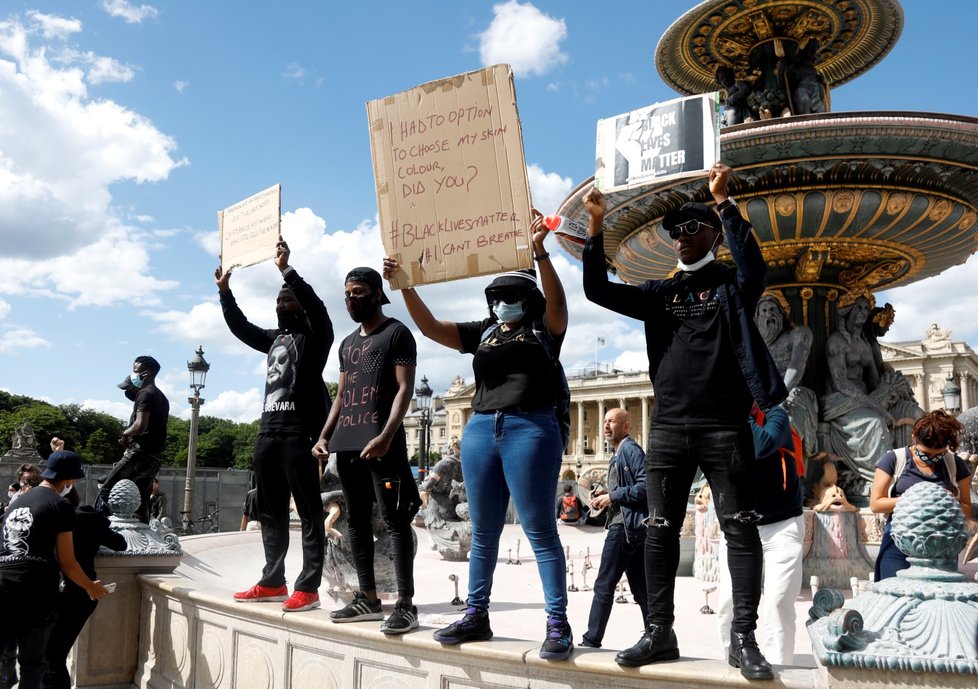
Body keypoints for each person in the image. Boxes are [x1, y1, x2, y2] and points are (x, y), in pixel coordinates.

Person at [582, 161, 786, 679]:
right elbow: (597, 290)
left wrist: (724, 203)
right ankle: (659, 630)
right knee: (658, 530)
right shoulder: (660, 294)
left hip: (724, 425)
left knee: (740, 530)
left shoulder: (731, 285)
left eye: (691, 228)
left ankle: (743, 638)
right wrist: (596, 226)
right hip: (669, 427)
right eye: (675, 231)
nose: (680, 237)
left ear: (713, 235)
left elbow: (756, 268)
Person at [383, 211, 574, 660]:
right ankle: (477, 613)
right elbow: (430, 328)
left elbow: (560, 308)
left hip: (531, 426)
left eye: (512, 294)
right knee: (484, 531)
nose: (503, 300)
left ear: (528, 298)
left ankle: (557, 622)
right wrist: (406, 285)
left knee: (540, 530)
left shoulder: (544, 329)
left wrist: (540, 251)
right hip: (482, 430)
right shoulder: (484, 333)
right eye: (498, 294)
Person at [218, 237, 332, 613]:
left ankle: (309, 587)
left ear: (301, 307)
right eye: (279, 301)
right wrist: (225, 292)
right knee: (270, 513)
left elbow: (318, 308)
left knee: (311, 514)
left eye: (289, 300)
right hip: (267, 435)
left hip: (300, 436)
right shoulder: (274, 340)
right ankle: (273, 581)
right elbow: (240, 327)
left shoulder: (315, 338)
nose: (283, 305)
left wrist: (287, 271)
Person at [312, 267, 421, 635]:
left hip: (381, 442)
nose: (351, 300)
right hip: (348, 443)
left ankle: (406, 604)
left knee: (395, 521)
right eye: (347, 294)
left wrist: (388, 435)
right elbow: (342, 395)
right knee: (356, 522)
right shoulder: (347, 344)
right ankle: (368, 598)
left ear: (377, 294)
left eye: (358, 293)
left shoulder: (397, 333)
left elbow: (404, 390)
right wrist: (325, 436)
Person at [0, 449, 109, 689]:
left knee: (4, 662)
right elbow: (67, 562)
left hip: (3, 582)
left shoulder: (17, 501)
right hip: (34, 589)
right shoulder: (61, 505)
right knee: (32, 664)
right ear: (69, 480)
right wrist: (91, 587)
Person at [716, 404, 804, 666]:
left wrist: (738, 415)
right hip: (739, 526)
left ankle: (779, 669)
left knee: (777, 603)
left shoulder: (776, 416)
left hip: (782, 523)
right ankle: (731, 666)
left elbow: (761, 445)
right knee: (727, 604)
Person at [42, 439, 127, 689]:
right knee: (54, 654)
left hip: (60, 592)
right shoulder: (89, 519)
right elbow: (120, 544)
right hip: (78, 594)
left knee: (51, 655)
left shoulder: (52, 512)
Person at [870, 409, 972, 581]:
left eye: (938, 454)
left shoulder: (955, 464)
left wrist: (947, 501)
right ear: (913, 437)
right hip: (898, 542)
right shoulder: (894, 459)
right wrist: (918, 499)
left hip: (942, 546)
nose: (930, 458)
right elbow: (876, 504)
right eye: (925, 453)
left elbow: (967, 510)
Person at [581, 408, 648, 649]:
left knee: (604, 583)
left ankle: (591, 639)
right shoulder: (618, 454)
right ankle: (655, 634)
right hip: (633, 528)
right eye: (605, 421)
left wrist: (613, 496)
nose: (606, 425)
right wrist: (605, 493)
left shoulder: (630, 449)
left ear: (626, 426)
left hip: (624, 527)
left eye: (612, 421)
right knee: (641, 588)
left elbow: (646, 486)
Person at [99, 355, 169, 523]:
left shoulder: (145, 393)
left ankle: (113, 530)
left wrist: (125, 434)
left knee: (108, 490)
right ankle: (142, 533)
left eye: (135, 371)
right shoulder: (162, 397)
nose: (133, 374)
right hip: (154, 456)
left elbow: (140, 425)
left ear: (146, 373)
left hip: (140, 452)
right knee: (142, 498)